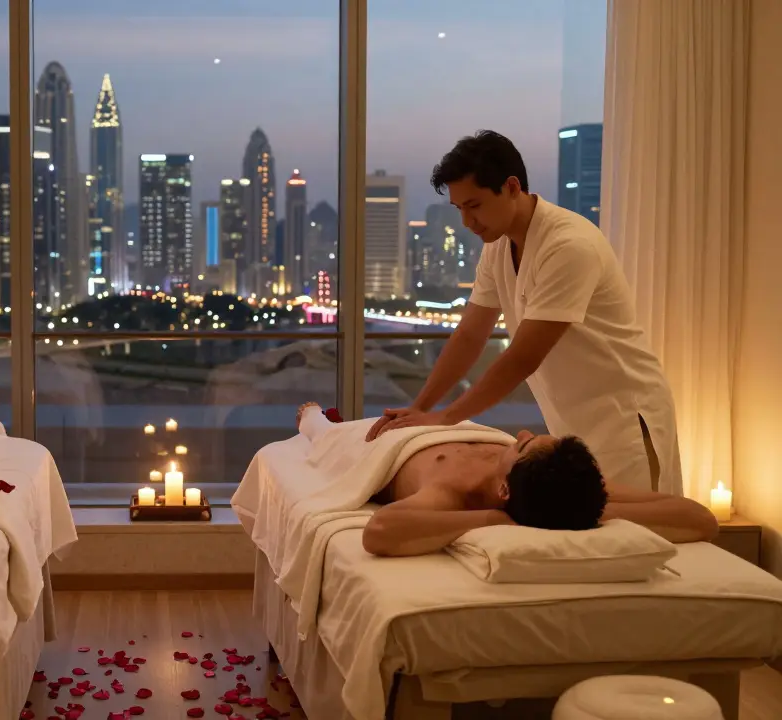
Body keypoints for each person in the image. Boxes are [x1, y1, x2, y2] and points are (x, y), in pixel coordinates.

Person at [366, 130, 682, 497]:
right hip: (572, 419)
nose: (467, 221)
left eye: (475, 205)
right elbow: (470, 334)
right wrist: (419, 409)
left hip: (624, 418)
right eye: (459, 209)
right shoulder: (499, 246)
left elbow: (522, 358)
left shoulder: (569, 246)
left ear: (512, 187)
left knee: (637, 537)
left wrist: (444, 418)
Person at [295, 404, 717, 558]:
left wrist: (496, 521)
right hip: (441, 425)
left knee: (326, 434)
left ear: (504, 491)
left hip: (384, 446)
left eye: (523, 445)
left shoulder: (453, 494)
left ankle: (311, 418)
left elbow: (380, 533)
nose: (517, 435)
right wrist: (592, 509)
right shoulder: (574, 490)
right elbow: (699, 516)